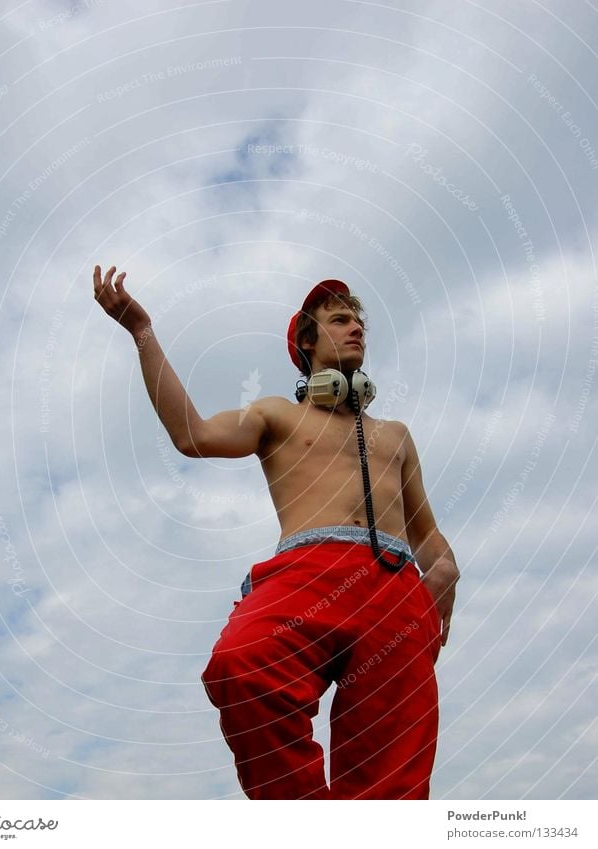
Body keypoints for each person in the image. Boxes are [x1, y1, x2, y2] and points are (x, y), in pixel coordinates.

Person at [92, 265, 460, 800]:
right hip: (309, 571)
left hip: (395, 587)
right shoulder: (277, 416)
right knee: (241, 664)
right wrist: (141, 331)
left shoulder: (394, 436)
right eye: (340, 320)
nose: (356, 328)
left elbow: (426, 531)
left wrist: (445, 567)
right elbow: (190, 434)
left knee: (394, 773)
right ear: (307, 342)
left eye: (359, 322)